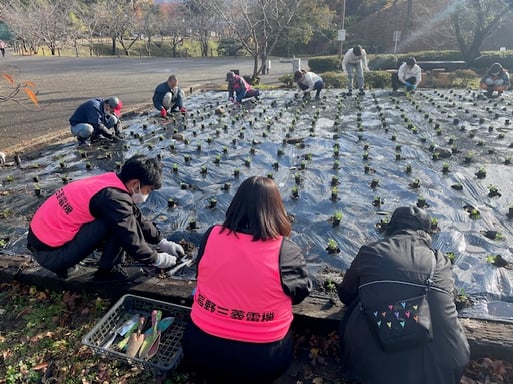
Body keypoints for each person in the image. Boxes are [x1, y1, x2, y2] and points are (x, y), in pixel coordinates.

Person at [182, 176, 312, 384]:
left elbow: (202, 274)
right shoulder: (285, 251)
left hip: (199, 349)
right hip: (262, 362)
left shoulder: (212, 235)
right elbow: (299, 295)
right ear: (277, 210)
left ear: (235, 205)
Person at [337, 206, 470, 384]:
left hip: (372, 371)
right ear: (427, 233)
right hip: (444, 367)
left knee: (358, 302)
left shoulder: (371, 252)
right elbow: (449, 300)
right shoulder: (440, 261)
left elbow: (346, 294)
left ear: (391, 228)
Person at [26, 154, 185, 282]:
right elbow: (129, 237)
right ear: (136, 183)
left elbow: (135, 215)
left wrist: (161, 241)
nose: (147, 195)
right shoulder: (114, 198)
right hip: (50, 255)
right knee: (116, 225)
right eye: (148, 190)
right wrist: (156, 258)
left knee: (121, 219)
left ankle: (99, 264)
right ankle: (109, 272)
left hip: (40, 244)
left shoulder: (110, 183)